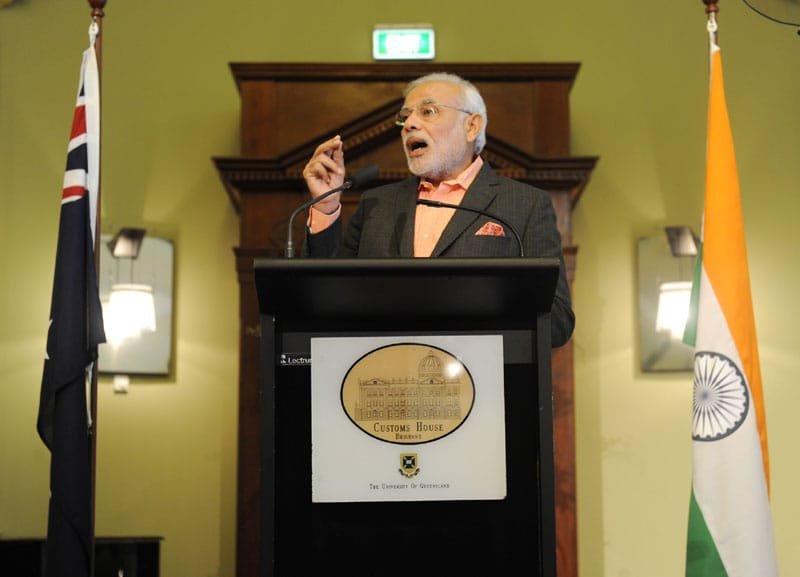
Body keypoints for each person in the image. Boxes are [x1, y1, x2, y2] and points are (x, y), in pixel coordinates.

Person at [301, 72, 575, 347]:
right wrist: (325, 205)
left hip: (485, 381)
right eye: (405, 116)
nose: (409, 124)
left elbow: (558, 320)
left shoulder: (524, 204)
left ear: (471, 126)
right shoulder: (376, 205)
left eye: (427, 111)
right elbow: (325, 299)